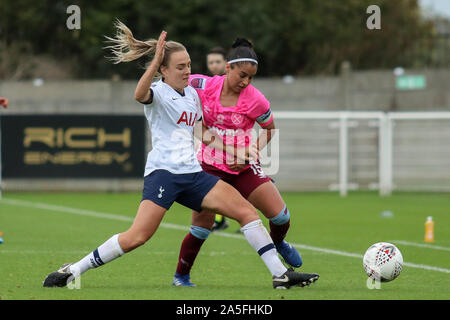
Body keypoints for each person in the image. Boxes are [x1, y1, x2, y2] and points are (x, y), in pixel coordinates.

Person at [42, 21, 319, 290]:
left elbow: (204, 134)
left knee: (246, 212)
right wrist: (153, 63)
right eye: (180, 66)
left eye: (188, 65)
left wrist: (238, 151)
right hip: (164, 174)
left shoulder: (192, 96)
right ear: (163, 69)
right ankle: (75, 269)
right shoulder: (159, 93)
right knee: (138, 236)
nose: (187, 71)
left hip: (193, 174)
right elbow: (139, 94)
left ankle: (280, 275)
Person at [172, 38, 304, 287]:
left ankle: (278, 243)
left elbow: (269, 129)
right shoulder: (203, 85)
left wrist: (251, 150)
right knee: (201, 227)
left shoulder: (255, 99)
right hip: (209, 167)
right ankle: (181, 277)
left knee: (280, 216)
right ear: (228, 68)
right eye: (242, 75)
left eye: (251, 77)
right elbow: (173, 81)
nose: (246, 82)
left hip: (243, 167)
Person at [205, 46, 228, 231]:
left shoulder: (235, 85)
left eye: (217, 61)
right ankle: (219, 219)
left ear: (226, 63)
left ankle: (222, 219)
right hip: (212, 141)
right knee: (214, 181)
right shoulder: (205, 86)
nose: (214, 65)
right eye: (211, 62)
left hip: (234, 141)